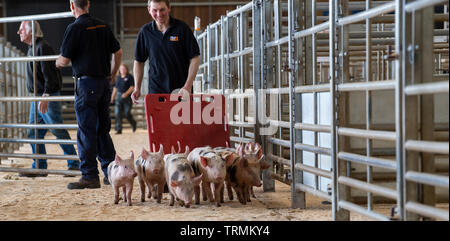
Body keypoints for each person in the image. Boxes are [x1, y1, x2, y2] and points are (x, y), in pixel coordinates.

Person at [56, 0, 123, 189]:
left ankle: (89, 175)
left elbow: (65, 59)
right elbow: (118, 52)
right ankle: (111, 173)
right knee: (102, 129)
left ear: (71, 5)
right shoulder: (103, 25)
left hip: (86, 84)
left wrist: (56, 62)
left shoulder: (75, 28)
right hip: (103, 82)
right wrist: (113, 73)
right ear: (88, 4)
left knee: (86, 131)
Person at [16, 20, 79, 177]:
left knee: (56, 129)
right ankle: (39, 165)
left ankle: (74, 163)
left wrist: (46, 95)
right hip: (37, 96)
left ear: (31, 31)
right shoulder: (32, 49)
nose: (18, 32)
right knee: (33, 133)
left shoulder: (42, 47)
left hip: (46, 95)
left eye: (22, 29)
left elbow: (51, 76)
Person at [131, 0, 200, 104]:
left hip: (180, 90)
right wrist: (137, 88)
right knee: (158, 120)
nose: (159, 14)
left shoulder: (182, 29)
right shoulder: (145, 32)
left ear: (169, 8)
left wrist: (188, 86)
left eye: (162, 10)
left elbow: (195, 58)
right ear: (149, 10)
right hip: (156, 92)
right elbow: (139, 62)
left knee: (182, 121)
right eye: (155, 10)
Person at [110, 64, 137, 134]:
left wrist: (126, 93)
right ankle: (119, 129)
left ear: (126, 69)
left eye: (124, 69)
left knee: (126, 113)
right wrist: (112, 97)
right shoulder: (118, 78)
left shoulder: (129, 77)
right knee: (117, 113)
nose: (122, 70)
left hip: (127, 98)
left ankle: (133, 123)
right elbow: (115, 88)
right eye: (121, 69)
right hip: (119, 97)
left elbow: (132, 87)